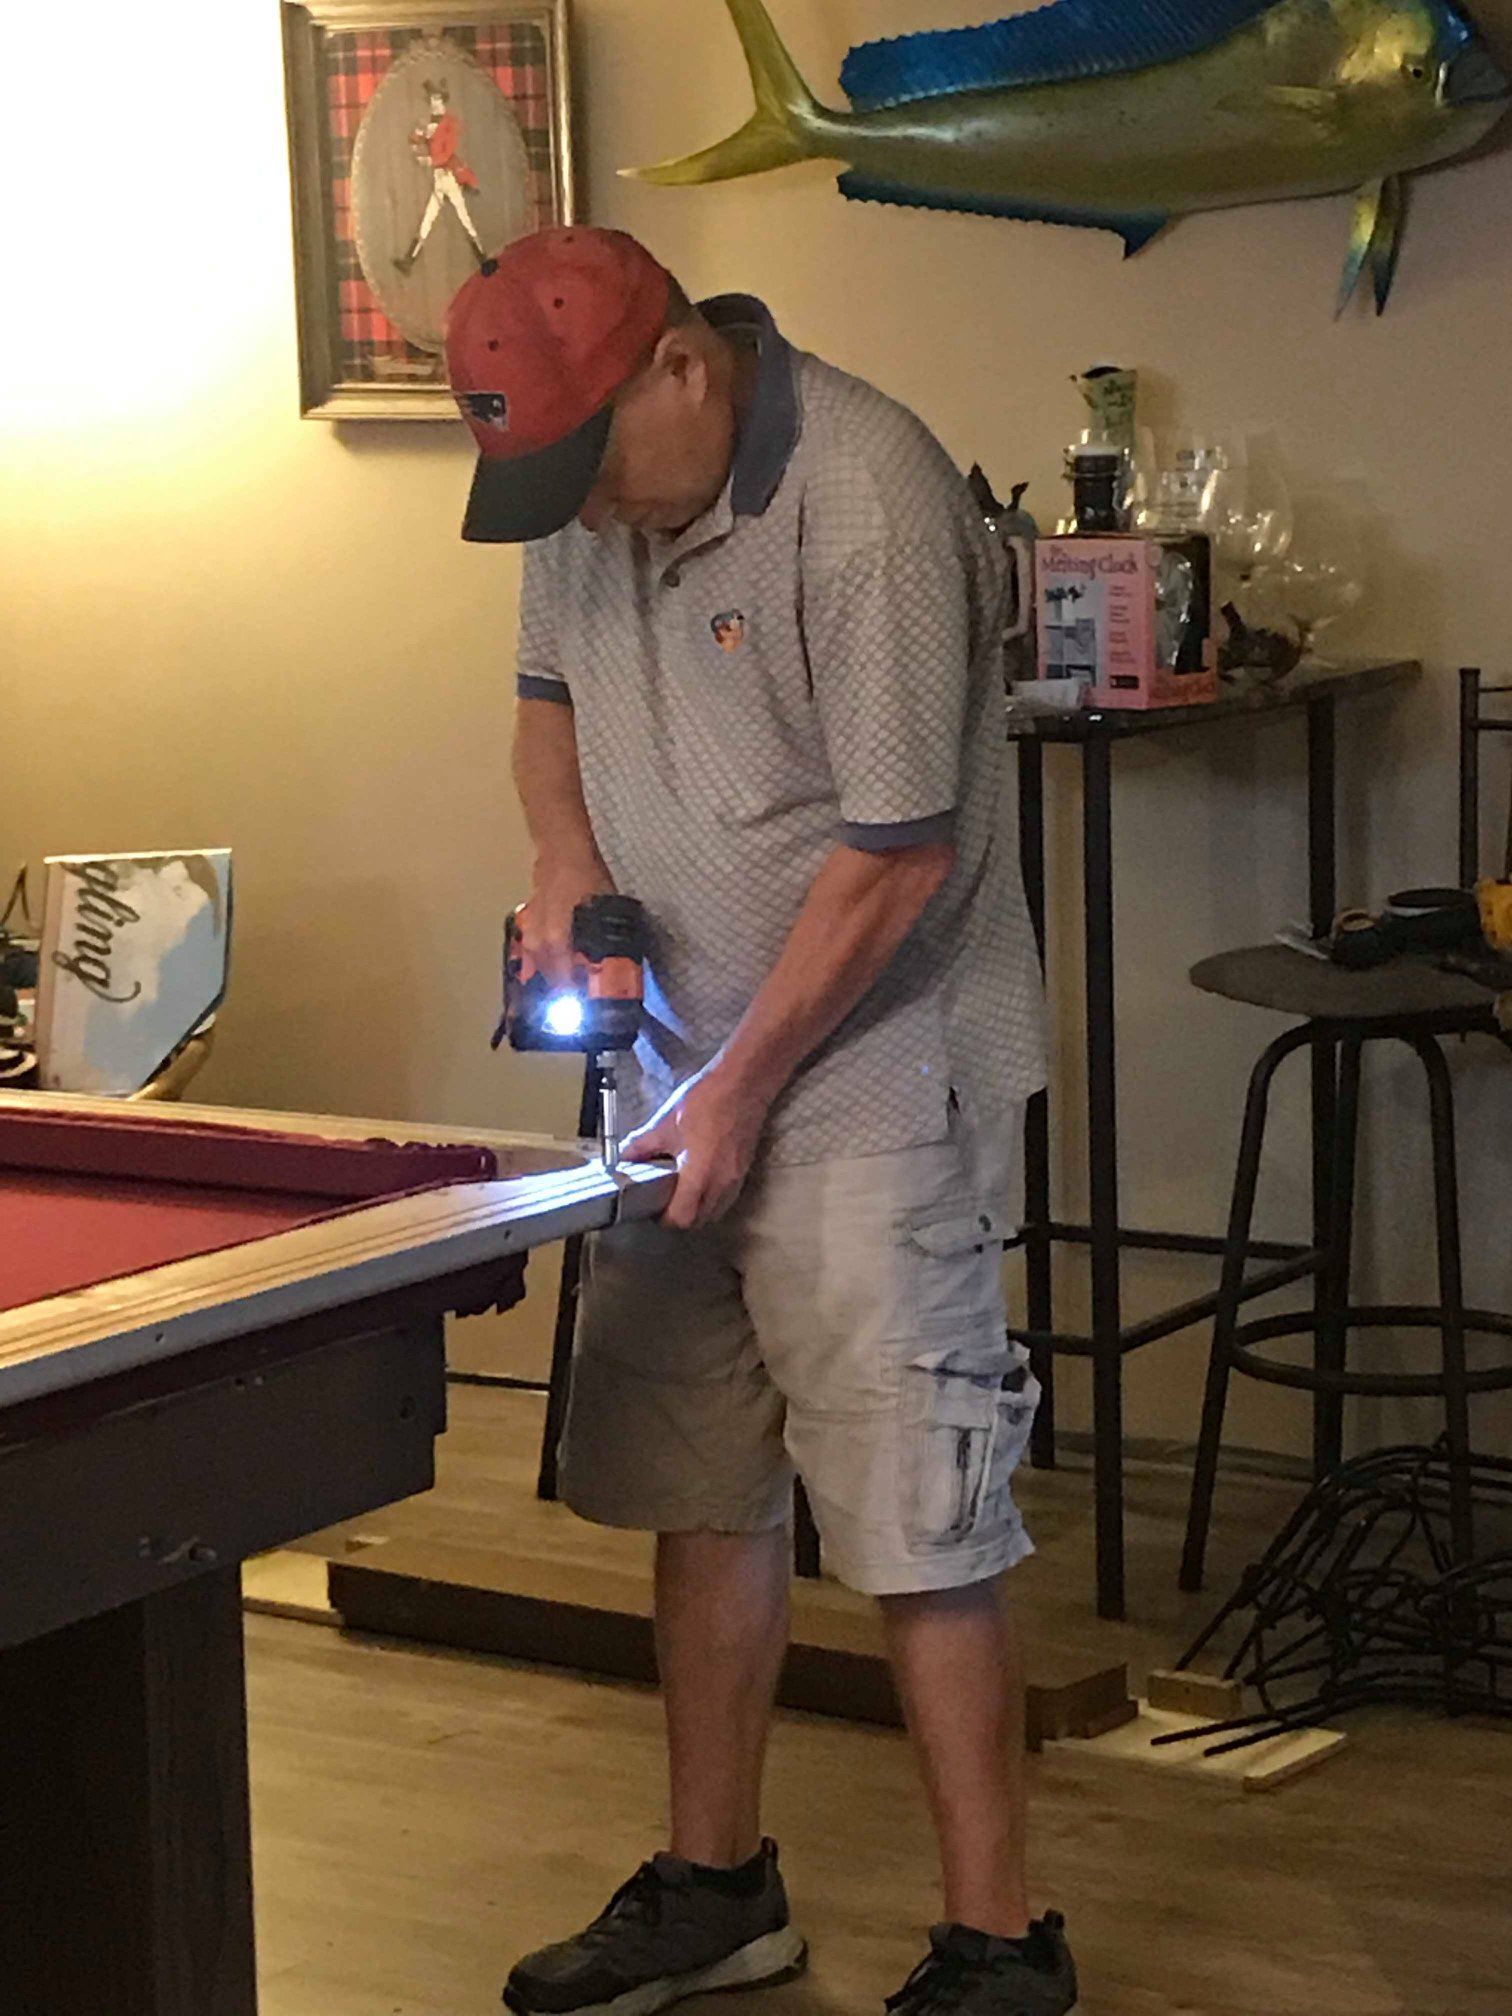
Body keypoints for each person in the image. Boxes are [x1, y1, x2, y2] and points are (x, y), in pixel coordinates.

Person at [446, 226, 1074, 2016]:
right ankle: (717, 1889)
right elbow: (546, 710)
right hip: (680, 1072)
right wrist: (562, 867)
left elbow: (898, 855)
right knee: (701, 1490)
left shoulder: (865, 500)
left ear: (682, 367)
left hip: (874, 1074)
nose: (586, 512)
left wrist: (739, 1090)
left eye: (594, 466)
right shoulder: (576, 483)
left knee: (917, 1520)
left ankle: (1001, 1945)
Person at [394, 79, 485, 276]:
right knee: (428, 218)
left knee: (463, 216)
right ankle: (409, 261)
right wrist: (417, 137)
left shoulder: (451, 123)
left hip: (450, 175)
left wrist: (429, 160)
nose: (433, 103)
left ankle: (483, 259)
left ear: (443, 100)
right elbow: (414, 139)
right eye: (431, 99)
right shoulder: (430, 123)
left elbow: (447, 152)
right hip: (438, 177)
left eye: (437, 99)